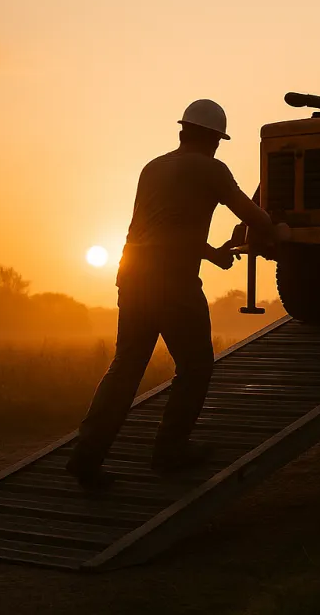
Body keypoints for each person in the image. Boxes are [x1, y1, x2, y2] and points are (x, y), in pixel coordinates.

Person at [66, 99, 275, 490]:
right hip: (172, 283)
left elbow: (166, 226)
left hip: (132, 277)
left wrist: (212, 254)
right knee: (196, 367)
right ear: (214, 139)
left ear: (182, 132)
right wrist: (277, 230)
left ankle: (86, 456)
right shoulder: (211, 169)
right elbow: (253, 215)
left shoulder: (154, 168)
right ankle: (170, 451)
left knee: (125, 368)